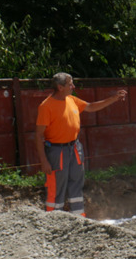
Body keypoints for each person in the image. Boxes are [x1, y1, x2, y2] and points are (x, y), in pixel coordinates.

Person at [35, 73, 127, 216]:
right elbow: (38, 135)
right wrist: (44, 161)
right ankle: (53, 221)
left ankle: (78, 219)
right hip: (57, 151)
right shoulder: (46, 106)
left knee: (76, 184)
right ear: (60, 87)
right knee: (56, 187)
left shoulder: (71, 100)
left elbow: (90, 107)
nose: (73, 86)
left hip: (74, 148)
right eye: (70, 84)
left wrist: (113, 99)